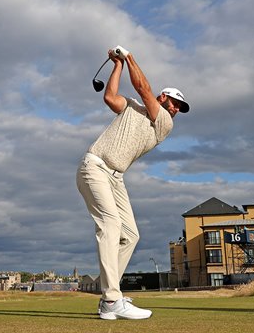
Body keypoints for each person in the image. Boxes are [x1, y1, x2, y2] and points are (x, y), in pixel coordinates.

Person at [76, 48, 189, 320]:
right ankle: (113, 298)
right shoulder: (132, 108)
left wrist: (129, 57)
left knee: (131, 235)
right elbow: (110, 97)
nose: (175, 110)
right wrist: (117, 65)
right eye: (173, 102)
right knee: (111, 225)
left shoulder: (163, 123)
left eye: (178, 108)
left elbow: (142, 86)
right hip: (95, 167)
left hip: (116, 178)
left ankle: (108, 297)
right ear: (163, 97)